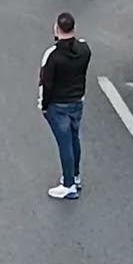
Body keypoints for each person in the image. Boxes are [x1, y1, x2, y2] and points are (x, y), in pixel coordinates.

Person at [38, 11, 91, 200]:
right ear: (74, 28)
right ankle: (75, 175)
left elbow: (46, 83)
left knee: (64, 144)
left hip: (58, 105)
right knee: (74, 138)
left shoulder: (52, 55)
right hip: (77, 101)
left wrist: (44, 106)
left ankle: (68, 184)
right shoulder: (84, 49)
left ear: (56, 29)